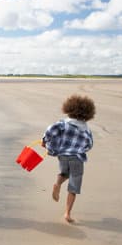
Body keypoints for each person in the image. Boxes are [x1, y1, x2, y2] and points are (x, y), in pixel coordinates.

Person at [42, 94, 95, 223]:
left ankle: (58, 184)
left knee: (64, 173)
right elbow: (89, 144)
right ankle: (67, 213)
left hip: (62, 155)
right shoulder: (86, 129)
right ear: (87, 114)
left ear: (69, 109)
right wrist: (81, 149)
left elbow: (50, 130)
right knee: (74, 185)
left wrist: (45, 141)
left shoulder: (63, 124)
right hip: (77, 158)